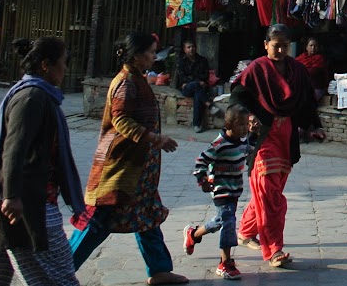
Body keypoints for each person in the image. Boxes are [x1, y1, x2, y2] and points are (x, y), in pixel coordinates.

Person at [0, 37, 86, 286]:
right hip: (18, 201)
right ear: (46, 65)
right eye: (64, 63)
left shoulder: (40, 95)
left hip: (5, 197)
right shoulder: (32, 97)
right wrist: (12, 195)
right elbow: (14, 148)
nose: (66, 69)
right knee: (55, 276)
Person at [71, 31, 187, 285]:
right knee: (98, 221)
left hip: (139, 168)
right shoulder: (126, 83)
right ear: (136, 56)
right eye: (151, 52)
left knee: (147, 214)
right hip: (120, 167)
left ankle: (159, 269)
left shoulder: (137, 79)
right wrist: (155, 138)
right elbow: (121, 120)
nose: (154, 57)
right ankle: (61, 269)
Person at [231, 24, 323, 269]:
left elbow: (307, 101)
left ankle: (245, 232)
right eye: (275, 45)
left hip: (287, 136)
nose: (280, 49)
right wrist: (248, 116)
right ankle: (273, 249)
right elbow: (237, 97)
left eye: (285, 45)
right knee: (270, 195)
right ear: (265, 45)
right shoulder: (257, 68)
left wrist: (315, 125)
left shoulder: (297, 70)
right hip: (264, 136)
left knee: (266, 191)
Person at [184, 104, 253, 281]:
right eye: (241, 125)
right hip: (221, 189)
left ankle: (193, 234)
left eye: (247, 124)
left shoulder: (243, 140)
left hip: (235, 189)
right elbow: (200, 161)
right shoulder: (219, 144)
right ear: (229, 125)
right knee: (229, 221)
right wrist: (203, 179)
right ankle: (225, 263)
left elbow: (248, 151)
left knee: (221, 220)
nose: (245, 128)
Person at [175, 40, 213, 133]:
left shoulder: (202, 60)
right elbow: (182, 77)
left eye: (193, 47)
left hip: (199, 87)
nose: (191, 49)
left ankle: (196, 125)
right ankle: (209, 104)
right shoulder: (181, 61)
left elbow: (206, 75)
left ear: (196, 48)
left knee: (198, 95)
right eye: (188, 47)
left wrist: (196, 81)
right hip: (186, 88)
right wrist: (198, 81)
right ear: (184, 49)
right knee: (196, 86)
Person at [297, 38, 330, 103]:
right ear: (306, 47)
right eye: (311, 45)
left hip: (316, 88)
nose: (313, 48)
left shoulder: (319, 58)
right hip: (302, 87)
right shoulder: (300, 58)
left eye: (315, 46)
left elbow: (313, 72)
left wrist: (301, 70)